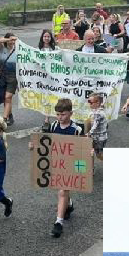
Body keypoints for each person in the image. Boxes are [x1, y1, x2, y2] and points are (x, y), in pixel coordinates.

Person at [40, 98, 83, 238]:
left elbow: (81, 148)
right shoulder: (53, 126)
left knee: (62, 190)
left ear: (70, 113)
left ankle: (58, 223)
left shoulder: (76, 129)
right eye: (57, 115)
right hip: (58, 163)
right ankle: (68, 204)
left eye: (63, 114)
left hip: (70, 164)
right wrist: (35, 147)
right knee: (62, 191)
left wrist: (88, 153)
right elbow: (48, 143)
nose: (60, 117)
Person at [0, 33, 18, 126]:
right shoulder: (2, 49)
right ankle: (10, 115)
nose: (12, 42)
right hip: (3, 76)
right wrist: (7, 39)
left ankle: (4, 120)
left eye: (13, 40)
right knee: (5, 99)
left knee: (8, 97)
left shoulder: (17, 51)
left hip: (13, 77)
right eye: (10, 40)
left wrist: (15, 39)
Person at [85, 93, 108, 160]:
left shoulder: (98, 113)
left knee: (99, 155)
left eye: (90, 102)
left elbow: (95, 125)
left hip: (99, 138)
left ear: (97, 103)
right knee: (92, 152)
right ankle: (90, 167)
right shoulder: (96, 111)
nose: (89, 104)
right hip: (98, 137)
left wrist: (89, 133)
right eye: (88, 102)